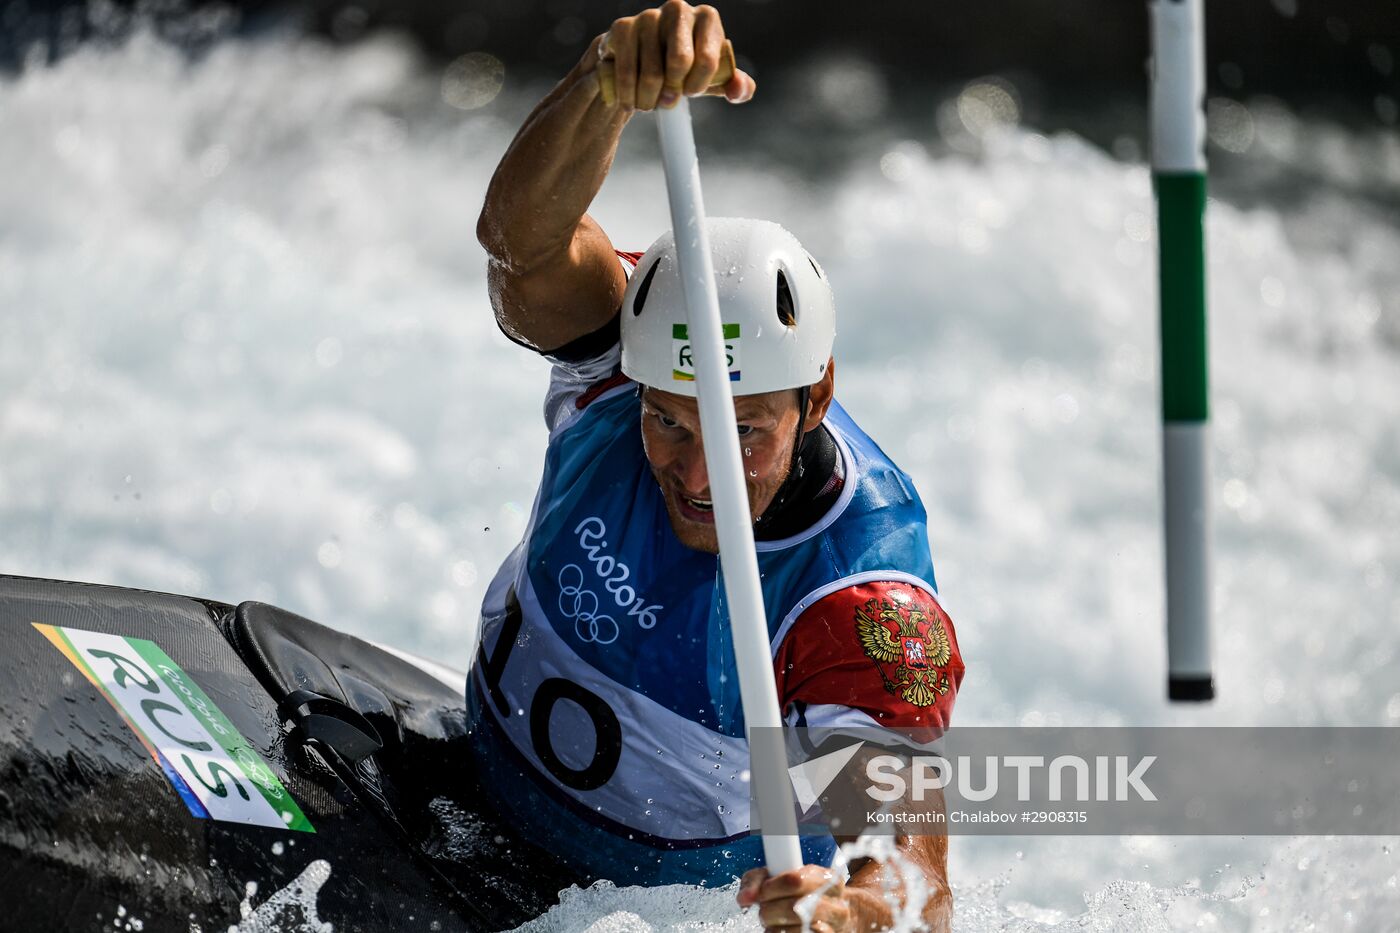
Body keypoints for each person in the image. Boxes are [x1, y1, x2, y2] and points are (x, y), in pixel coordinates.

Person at [470, 3, 966, 929]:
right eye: (668, 422)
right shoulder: (621, 361)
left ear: (814, 399)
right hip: (467, 785)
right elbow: (522, 246)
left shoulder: (861, 601)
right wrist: (603, 84)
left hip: (622, 911)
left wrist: (845, 915)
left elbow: (919, 887)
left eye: (745, 433)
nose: (698, 475)